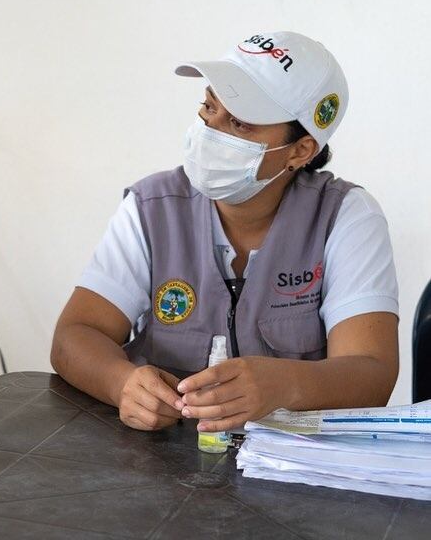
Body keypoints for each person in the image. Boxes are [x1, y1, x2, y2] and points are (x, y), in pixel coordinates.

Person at [51, 31, 399, 434]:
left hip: (292, 471)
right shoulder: (151, 208)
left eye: (239, 122)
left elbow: (372, 373)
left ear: (300, 151)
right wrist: (122, 383)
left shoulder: (345, 216)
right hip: (162, 462)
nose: (211, 131)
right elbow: (73, 336)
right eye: (209, 108)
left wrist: (284, 384)